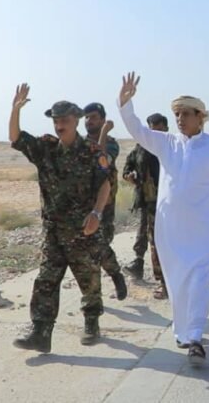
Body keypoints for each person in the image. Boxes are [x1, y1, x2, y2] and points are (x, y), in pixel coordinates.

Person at [117, 72, 209, 366]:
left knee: (199, 281)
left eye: (186, 114)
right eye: (177, 114)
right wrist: (125, 104)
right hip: (170, 230)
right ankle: (184, 332)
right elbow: (137, 130)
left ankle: (196, 337)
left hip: (203, 230)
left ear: (201, 117)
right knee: (176, 283)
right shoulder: (166, 143)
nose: (179, 119)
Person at [9, 84, 112, 352]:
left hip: (83, 230)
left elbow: (105, 185)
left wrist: (96, 213)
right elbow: (16, 138)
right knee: (46, 280)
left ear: (76, 120)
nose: (59, 125)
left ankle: (92, 323)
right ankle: (41, 333)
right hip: (54, 230)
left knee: (88, 279)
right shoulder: (46, 148)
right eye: (56, 120)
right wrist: (15, 110)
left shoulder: (91, 152)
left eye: (64, 120)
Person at [122, 113, 168, 300]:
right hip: (147, 200)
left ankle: (166, 280)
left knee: (163, 241)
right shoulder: (141, 147)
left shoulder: (171, 147)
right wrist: (129, 175)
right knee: (146, 235)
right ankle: (142, 266)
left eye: (159, 129)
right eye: (152, 129)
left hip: (168, 203)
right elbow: (128, 166)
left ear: (166, 129)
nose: (154, 133)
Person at [83, 102, 127, 300]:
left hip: (104, 206)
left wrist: (103, 133)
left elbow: (101, 161)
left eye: (93, 117)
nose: (88, 121)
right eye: (86, 117)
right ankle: (93, 297)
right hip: (84, 206)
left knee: (100, 247)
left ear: (102, 120)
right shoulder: (80, 144)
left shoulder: (111, 144)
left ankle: (115, 273)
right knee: (87, 253)